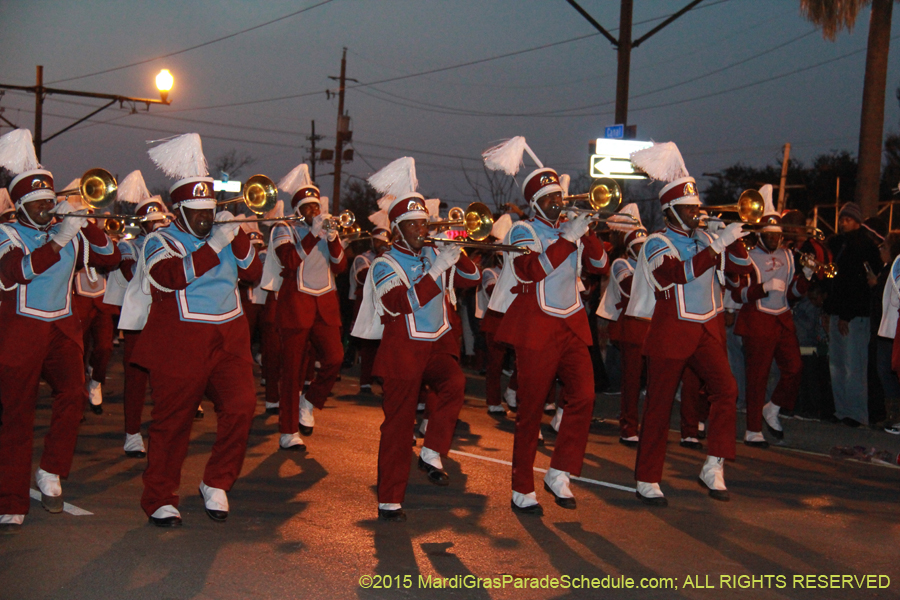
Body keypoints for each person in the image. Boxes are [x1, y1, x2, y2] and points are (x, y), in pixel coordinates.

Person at [131, 133, 262, 527]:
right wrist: (212, 246)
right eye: (199, 212)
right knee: (173, 423)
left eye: (210, 211)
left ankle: (217, 481)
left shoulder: (222, 232)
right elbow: (170, 277)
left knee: (241, 406)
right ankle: (158, 497)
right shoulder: (160, 239)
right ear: (179, 210)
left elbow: (254, 273)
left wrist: (235, 235)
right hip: (180, 341)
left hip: (229, 336)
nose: (207, 218)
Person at [0, 128, 120, 529]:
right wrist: (57, 241)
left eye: (50, 203)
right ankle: (12, 498)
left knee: (73, 395)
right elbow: (16, 273)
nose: (47, 210)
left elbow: (110, 257)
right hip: (20, 331)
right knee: (18, 415)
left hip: (62, 330)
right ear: (20, 206)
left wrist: (87, 222)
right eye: (38, 204)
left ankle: (50, 470)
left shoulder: (64, 230)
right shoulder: (6, 234)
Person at [482, 137, 609, 514]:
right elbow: (531, 271)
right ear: (536, 202)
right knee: (531, 410)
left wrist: (586, 233)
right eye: (552, 198)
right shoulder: (523, 231)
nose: (560, 203)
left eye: (560, 197)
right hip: (535, 326)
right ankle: (522, 486)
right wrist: (567, 240)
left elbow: (600, 267)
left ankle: (560, 471)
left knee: (584, 397)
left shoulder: (571, 229)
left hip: (570, 324)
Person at [353, 156, 481, 522]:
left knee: (455, 383)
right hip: (402, 353)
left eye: (423, 222)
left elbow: (471, 279)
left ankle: (431, 451)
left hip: (437, 345)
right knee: (397, 427)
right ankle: (390, 500)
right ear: (396, 229)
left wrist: (457, 249)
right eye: (413, 225)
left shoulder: (433, 251)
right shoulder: (383, 264)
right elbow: (400, 304)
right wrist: (437, 269)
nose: (421, 230)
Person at [628, 141, 752, 506]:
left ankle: (713, 465)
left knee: (726, 390)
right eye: (688, 208)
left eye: (696, 207)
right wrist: (714, 248)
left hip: (707, 329)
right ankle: (647, 478)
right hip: (671, 332)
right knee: (659, 406)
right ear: (671, 211)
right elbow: (673, 276)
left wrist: (730, 241)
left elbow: (741, 276)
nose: (696, 213)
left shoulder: (708, 238)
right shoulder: (656, 242)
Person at [270, 164, 347, 450]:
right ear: (299, 209)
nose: (315, 211)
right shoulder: (283, 228)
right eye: (309, 207)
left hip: (325, 304)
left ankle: (310, 400)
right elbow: (289, 261)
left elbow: (340, 266)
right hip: (295, 306)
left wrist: (332, 238)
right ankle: (288, 431)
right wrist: (312, 234)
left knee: (335, 359)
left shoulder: (324, 230)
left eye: (317, 206)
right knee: (291, 372)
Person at [732, 187, 811, 447]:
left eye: (777, 236)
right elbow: (738, 294)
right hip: (758, 321)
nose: (775, 240)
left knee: (795, 368)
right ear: (760, 234)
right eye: (769, 235)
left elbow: (791, 294)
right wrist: (762, 289)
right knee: (757, 377)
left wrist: (807, 278)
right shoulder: (748, 257)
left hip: (782, 319)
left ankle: (773, 407)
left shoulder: (789, 256)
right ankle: (752, 429)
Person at [824, 202, 881, 427]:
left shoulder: (864, 246)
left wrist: (845, 315)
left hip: (854, 315)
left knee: (853, 365)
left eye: (848, 219)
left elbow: (858, 284)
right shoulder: (839, 244)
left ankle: (856, 412)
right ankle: (842, 410)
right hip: (839, 311)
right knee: (837, 364)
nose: (843, 223)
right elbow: (835, 281)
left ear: (857, 221)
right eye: (842, 219)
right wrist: (828, 310)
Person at [597, 219, 647, 445]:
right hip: (631, 329)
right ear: (629, 248)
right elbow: (630, 290)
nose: (643, 249)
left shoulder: (651, 264)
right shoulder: (620, 264)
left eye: (645, 245)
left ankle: (643, 422)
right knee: (631, 382)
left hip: (653, 328)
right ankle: (628, 427)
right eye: (638, 245)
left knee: (651, 383)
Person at [348, 212, 391, 394]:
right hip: (367, 307)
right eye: (377, 241)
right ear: (372, 242)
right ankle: (365, 381)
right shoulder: (362, 258)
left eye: (383, 242)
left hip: (386, 307)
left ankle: (384, 379)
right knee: (368, 347)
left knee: (386, 346)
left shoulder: (391, 258)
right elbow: (364, 277)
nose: (380, 244)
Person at [877, 231, 900, 433]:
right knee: (887, 371)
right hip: (888, 328)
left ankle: (895, 417)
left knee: (891, 371)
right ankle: (892, 415)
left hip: (894, 329)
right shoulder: (890, 268)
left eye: (884, 246)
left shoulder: (895, 267)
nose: (881, 250)